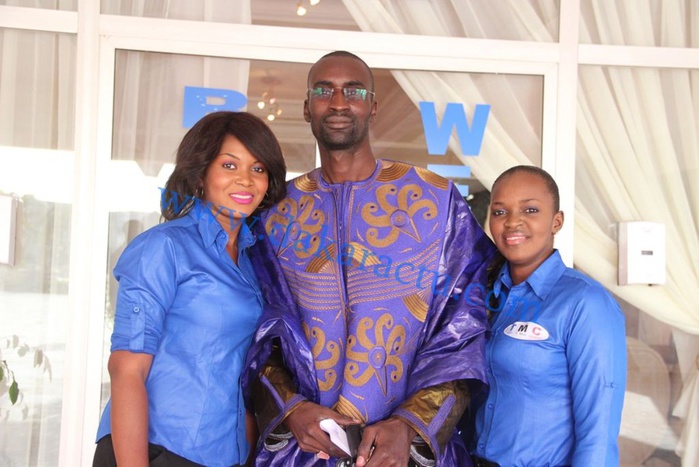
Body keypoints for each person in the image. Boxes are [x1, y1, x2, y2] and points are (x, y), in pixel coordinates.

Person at [242, 51, 495, 466]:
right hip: (304, 451)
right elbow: (255, 332)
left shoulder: (436, 201)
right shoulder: (275, 213)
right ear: (306, 108)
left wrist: (412, 425)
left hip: (403, 455)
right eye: (324, 91)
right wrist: (290, 409)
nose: (339, 102)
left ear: (373, 107)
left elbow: (465, 330)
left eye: (354, 91)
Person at [93, 111, 287, 467]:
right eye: (229, 165)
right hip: (156, 449)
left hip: (221, 453)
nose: (246, 180)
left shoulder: (253, 261)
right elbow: (126, 370)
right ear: (200, 173)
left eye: (258, 168)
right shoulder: (163, 248)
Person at [471, 165, 627, 466]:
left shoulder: (586, 303)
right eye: (500, 212)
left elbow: (598, 433)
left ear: (557, 221)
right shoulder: (488, 295)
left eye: (530, 210)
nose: (512, 222)